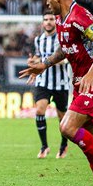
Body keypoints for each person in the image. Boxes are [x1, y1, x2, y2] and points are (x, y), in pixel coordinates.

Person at [19, 0, 93, 186]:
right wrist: (44, 64)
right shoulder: (60, 19)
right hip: (81, 84)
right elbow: (66, 48)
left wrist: (92, 73)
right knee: (88, 141)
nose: (46, 3)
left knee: (66, 127)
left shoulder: (79, 16)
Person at [30, 11, 72, 159]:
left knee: (62, 117)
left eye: (51, 19)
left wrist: (48, 61)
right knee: (39, 110)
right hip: (43, 82)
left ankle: (63, 145)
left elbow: (65, 58)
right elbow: (38, 56)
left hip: (61, 83)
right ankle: (44, 147)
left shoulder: (62, 39)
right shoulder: (38, 40)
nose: (48, 22)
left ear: (56, 22)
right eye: (46, 19)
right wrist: (33, 62)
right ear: (43, 23)